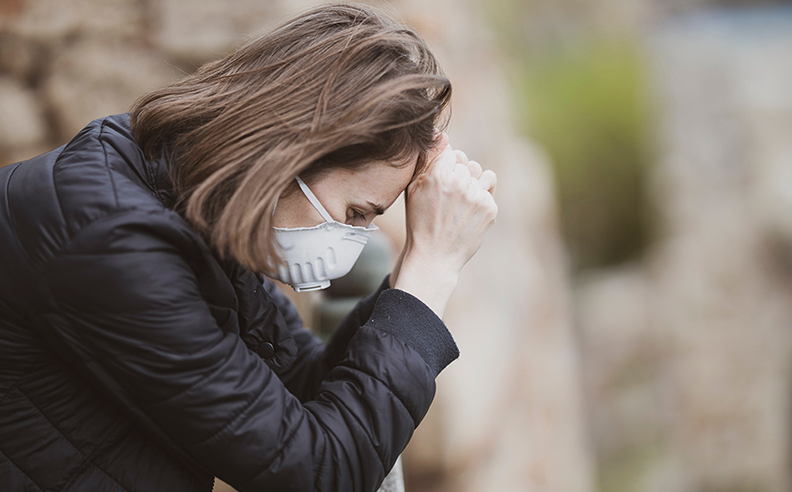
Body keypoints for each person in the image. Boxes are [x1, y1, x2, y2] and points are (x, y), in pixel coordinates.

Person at [0, 3, 497, 492]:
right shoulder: (112, 242)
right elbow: (317, 472)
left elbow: (305, 389)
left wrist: (411, 272)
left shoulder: (186, 208)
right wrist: (432, 270)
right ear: (292, 151)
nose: (356, 238)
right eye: (355, 213)